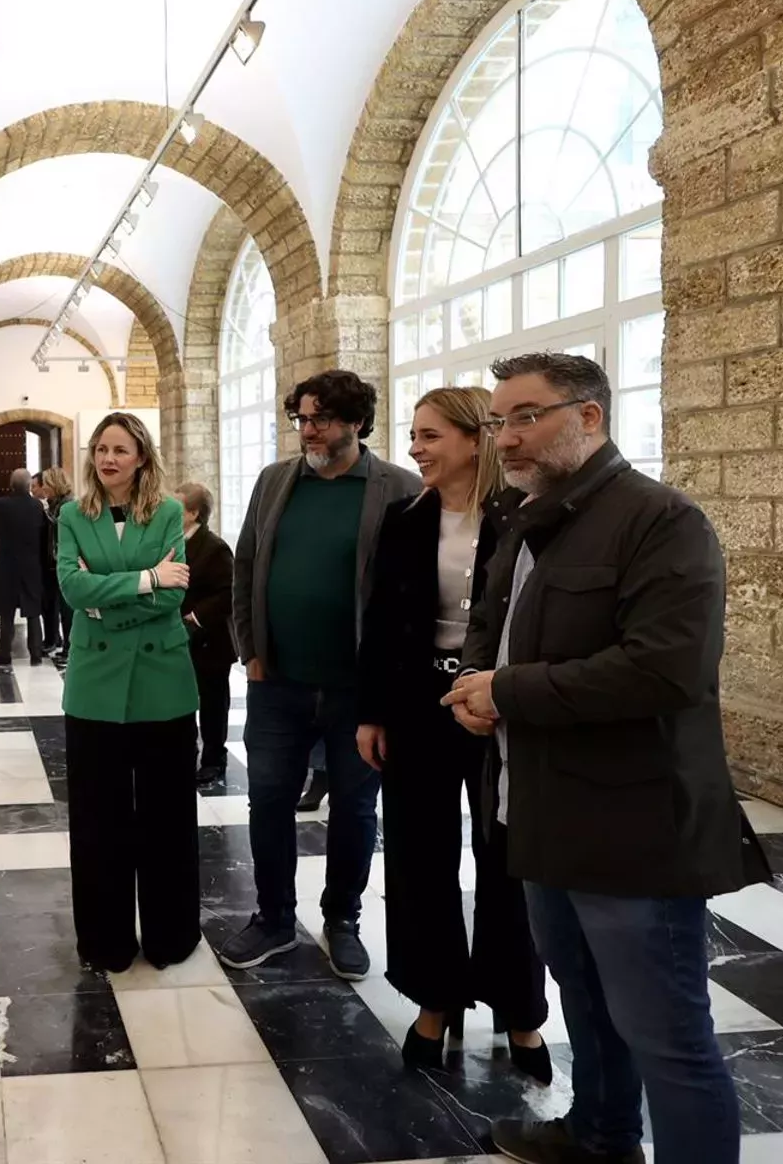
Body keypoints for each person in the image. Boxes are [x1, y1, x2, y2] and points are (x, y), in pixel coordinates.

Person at [441, 353, 770, 1164]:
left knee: (668, 1035)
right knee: (584, 1006)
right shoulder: (529, 516)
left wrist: (507, 692)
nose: (505, 438)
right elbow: (494, 629)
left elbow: (666, 669)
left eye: (524, 417)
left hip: (632, 827)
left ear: (588, 417)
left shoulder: (659, 519)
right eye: (497, 421)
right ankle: (600, 1136)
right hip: (541, 812)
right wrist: (477, 693)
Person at [354, 387, 549, 1084]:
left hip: (499, 705)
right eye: (413, 436)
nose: (416, 449)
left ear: (474, 439)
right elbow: (377, 621)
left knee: (509, 857)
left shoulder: (525, 518)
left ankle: (520, 1009)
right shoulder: (406, 519)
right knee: (418, 856)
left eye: (430, 436)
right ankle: (434, 1000)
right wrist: (371, 712)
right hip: (418, 705)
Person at [222, 369, 422, 974]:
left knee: (356, 810)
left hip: (357, 691)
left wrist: (389, 688)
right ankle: (275, 918)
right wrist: (248, 647)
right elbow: (246, 565)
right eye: (301, 418)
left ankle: (343, 920)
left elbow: (410, 594)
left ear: (357, 421)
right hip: (277, 683)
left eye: (321, 419)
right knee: (269, 800)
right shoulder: (274, 481)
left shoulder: (398, 489)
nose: (308, 430)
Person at [56, 412, 200, 972]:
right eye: (100, 450)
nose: (108, 459)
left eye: (120, 449)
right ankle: (104, 942)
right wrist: (145, 579)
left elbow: (175, 596)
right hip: (93, 691)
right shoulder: (72, 514)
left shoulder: (167, 512)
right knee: (97, 822)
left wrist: (104, 601)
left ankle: (171, 936)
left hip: (163, 686)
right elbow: (71, 587)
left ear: (142, 456)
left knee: (167, 819)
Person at [175, 482, 236, 788]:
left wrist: (196, 617)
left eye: (178, 506)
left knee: (213, 703)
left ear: (193, 513)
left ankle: (214, 759)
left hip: (209, 641)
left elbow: (228, 592)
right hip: (181, 639)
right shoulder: (175, 541)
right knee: (183, 698)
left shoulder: (214, 547)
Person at [0, 468, 49, 666]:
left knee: (6, 610)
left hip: (7, 564)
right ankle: (36, 654)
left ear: (11, 485)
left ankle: (4, 653)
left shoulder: (2, 504)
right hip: (31, 564)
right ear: (29, 485)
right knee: (33, 610)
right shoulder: (37, 506)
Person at [40, 467, 76, 663]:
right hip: (53, 563)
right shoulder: (55, 505)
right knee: (53, 605)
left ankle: (70, 648)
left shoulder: (66, 506)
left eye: (47, 483)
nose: (44, 487)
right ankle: (57, 641)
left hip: (63, 562)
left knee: (67, 609)